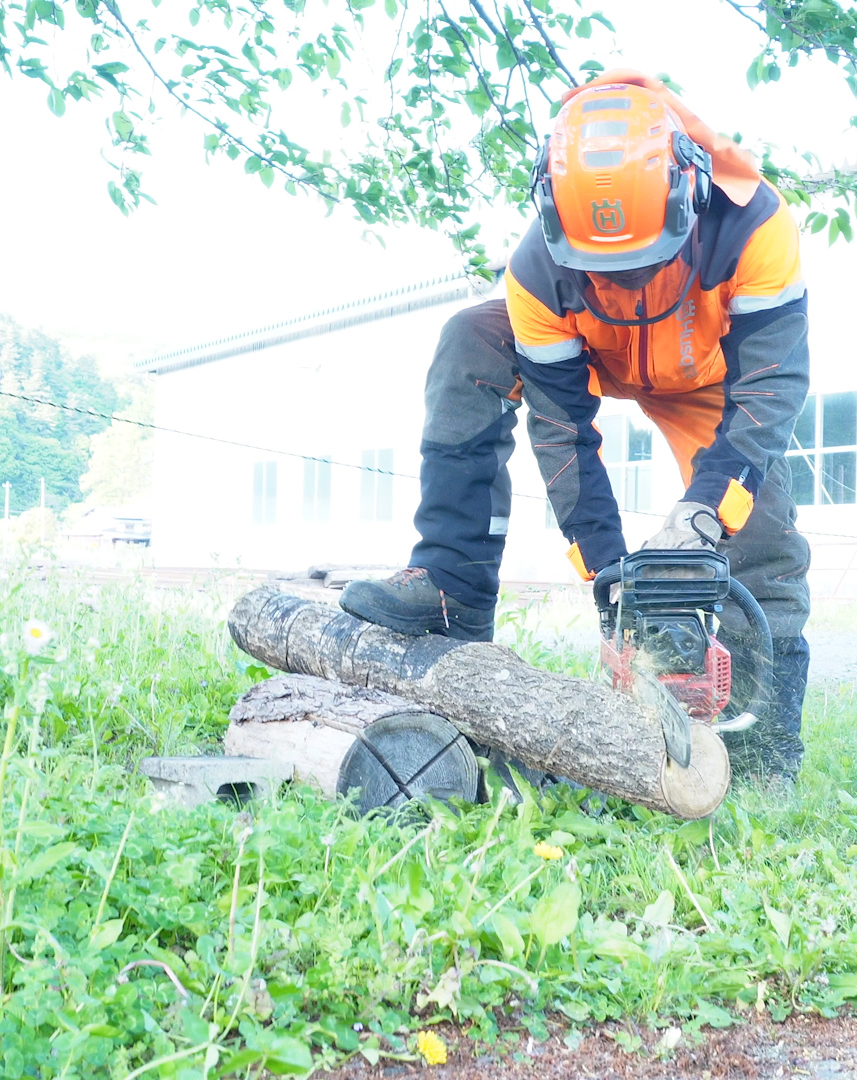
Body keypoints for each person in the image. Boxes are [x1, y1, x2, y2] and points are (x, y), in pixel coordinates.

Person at [340, 71, 811, 777]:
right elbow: (562, 428)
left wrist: (707, 512)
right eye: (602, 268)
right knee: (470, 337)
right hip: (594, 352)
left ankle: (761, 752)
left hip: (708, 372)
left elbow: (770, 387)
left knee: (763, 530)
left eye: (641, 263)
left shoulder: (757, 226)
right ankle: (450, 587)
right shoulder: (536, 270)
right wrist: (609, 569)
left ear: (690, 193)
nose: (623, 281)